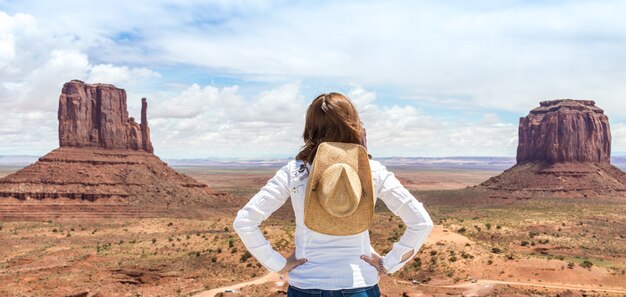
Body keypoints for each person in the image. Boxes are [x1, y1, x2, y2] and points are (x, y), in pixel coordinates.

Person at [233, 92, 434, 296]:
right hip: (359, 285)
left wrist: (278, 264)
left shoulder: (295, 172)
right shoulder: (372, 171)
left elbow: (244, 222)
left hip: (306, 285)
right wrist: (388, 264)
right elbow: (421, 223)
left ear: (311, 127)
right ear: (353, 123)